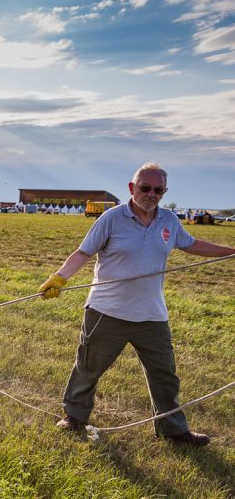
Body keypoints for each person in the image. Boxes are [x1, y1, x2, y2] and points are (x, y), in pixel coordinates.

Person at [39, 162, 235, 446]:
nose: (151, 194)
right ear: (132, 188)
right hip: (107, 312)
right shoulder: (111, 218)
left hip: (151, 315)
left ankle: (174, 429)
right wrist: (58, 278)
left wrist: (232, 252)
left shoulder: (169, 221)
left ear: (164, 192)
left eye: (158, 190)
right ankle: (74, 417)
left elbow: (192, 244)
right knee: (88, 367)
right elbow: (83, 253)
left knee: (164, 374)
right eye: (145, 188)